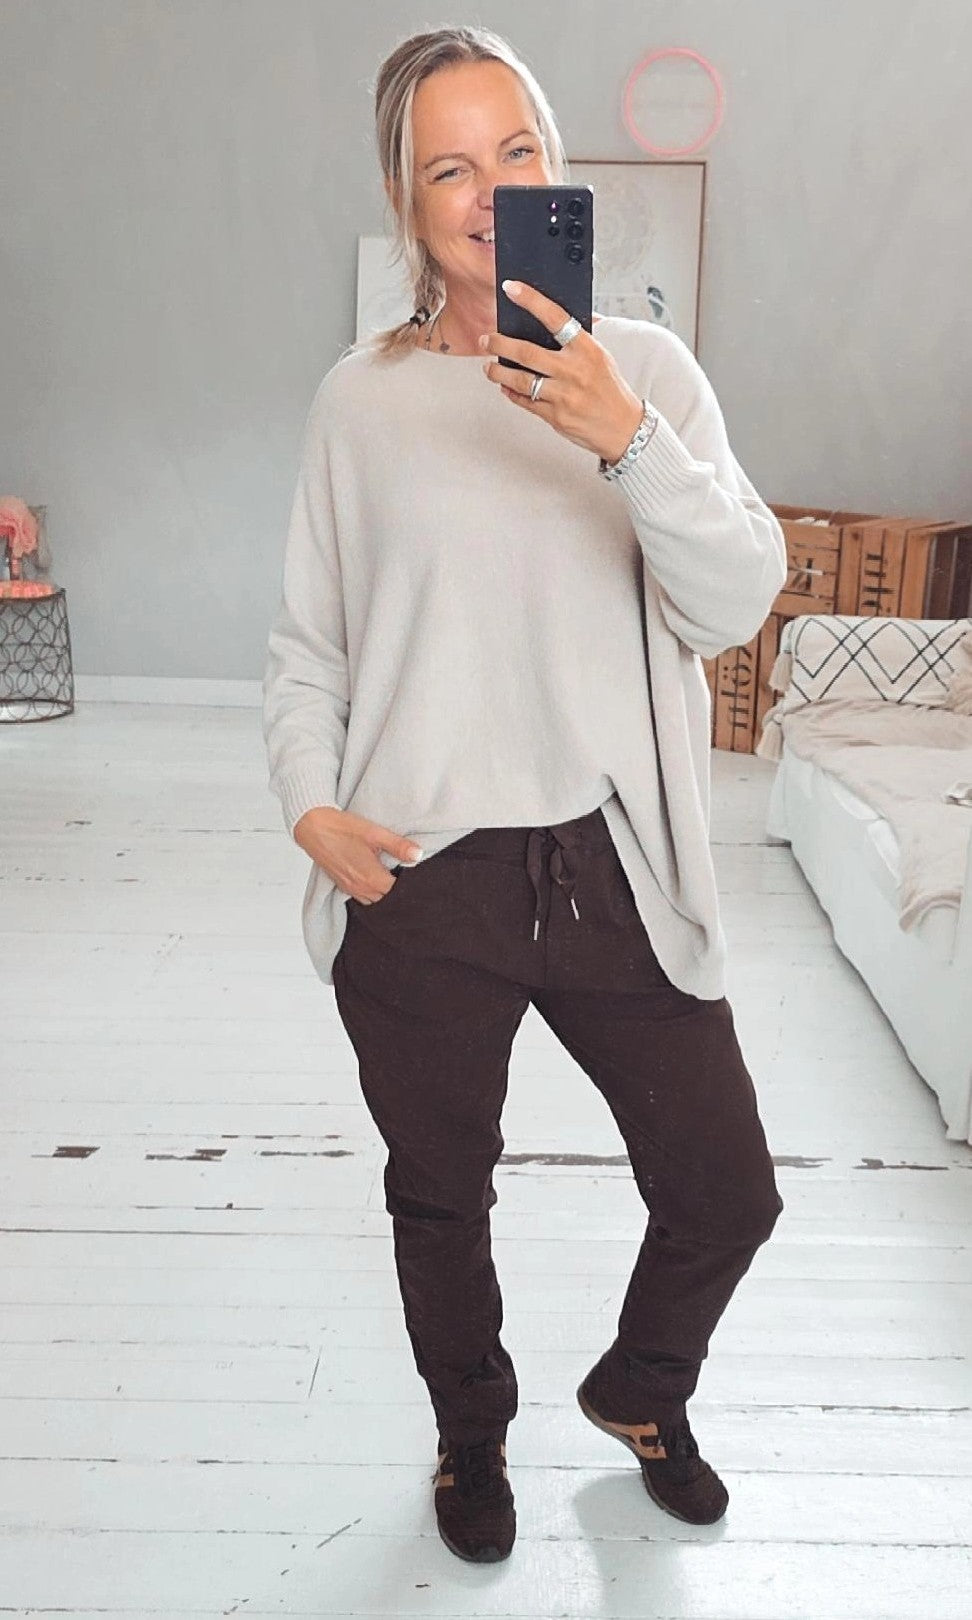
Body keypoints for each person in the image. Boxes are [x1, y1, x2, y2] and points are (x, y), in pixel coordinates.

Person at [262, 25, 787, 1565]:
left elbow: (738, 598)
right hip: (424, 869)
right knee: (441, 1199)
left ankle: (641, 1390)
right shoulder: (359, 406)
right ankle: (470, 1435)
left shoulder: (651, 379)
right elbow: (308, 646)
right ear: (405, 199)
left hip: (614, 857)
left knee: (728, 1190)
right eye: (450, 167)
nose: (490, 194)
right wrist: (310, 803)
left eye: (517, 155)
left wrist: (626, 442)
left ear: (559, 170)